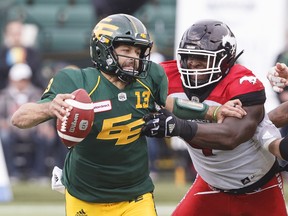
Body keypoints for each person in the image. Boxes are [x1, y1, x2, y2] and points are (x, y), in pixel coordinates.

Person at [10, 14, 246, 216]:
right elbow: (19, 118)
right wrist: (49, 108)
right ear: (104, 49)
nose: (135, 57)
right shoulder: (76, 81)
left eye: (139, 50)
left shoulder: (149, 77)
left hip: (135, 193)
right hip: (85, 194)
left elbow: (167, 103)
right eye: (126, 50)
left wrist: (213, 110)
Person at [141, 19, 288, 215]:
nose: (192, 63)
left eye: (201, 58)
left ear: (225, 61)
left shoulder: (242, 83)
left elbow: (231, 136)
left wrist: (177, 126)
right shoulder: (165, 76)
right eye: (188, 56)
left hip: (260, 187)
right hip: (210, 186)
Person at [0, 63, 56, 180]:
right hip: (11, 129)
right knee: (4, 137)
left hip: (33, 127)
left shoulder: (36, 93)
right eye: (19, 80)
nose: (22, 82)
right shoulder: (4, 95)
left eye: (24, 79)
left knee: (45, 137)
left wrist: (45, 126)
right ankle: (11, 173)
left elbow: (43, 111)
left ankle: (39, 173)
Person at [0, 19, 43, 90]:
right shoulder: (2, 53)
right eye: (13, 34)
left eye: (18, 34)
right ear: (6, 35)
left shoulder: (31, 52)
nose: (16, 38)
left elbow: (36, 74)